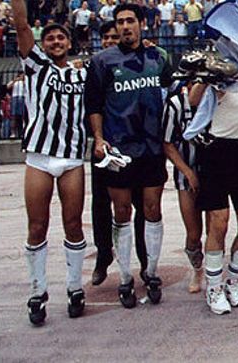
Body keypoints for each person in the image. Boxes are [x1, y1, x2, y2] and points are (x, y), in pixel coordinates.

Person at [3, 0, 88, 326]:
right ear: (44, 44)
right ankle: (37, 292)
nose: (55, 40)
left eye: (60, 37)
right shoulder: (36, 66)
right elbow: (22, 25)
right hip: (39, 155)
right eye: (50, 37)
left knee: (73, 224)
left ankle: (74, 288)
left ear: (69, 42)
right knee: (36, 226)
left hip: (71, 158)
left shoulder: (84, 74)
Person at [85, 3, 173, 309]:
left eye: (130, 21)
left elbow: (172, 94)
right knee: (121, 212)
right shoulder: (102, 61)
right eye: (120, 21)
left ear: (141, 24)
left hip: (152, 147)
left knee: (152, 209)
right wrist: (99, 139)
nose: (125, 26)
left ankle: (151, 272)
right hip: (119, 149)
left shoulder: (158, 57)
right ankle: (124, 278)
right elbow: (94, 105)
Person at [190, 44, 238, 314]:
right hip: (217, 151)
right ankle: (213, 287)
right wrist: (205, 76)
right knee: (218, 223)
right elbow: (193, 100)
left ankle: (233, 281)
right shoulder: (220, 75)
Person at [89, 22, 148, 288]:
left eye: (115, 37)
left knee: (140, 205)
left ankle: (145, 260)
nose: (110, 41)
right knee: (101, 203)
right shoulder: (95, 67)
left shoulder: (137, 64)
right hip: (104, 146)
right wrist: (99, 138)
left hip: (134, 147)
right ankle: (103, 255)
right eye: (106, 37)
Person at [161, 80, 206, 295]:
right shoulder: (176, 104)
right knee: (193, 232)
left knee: (217, 225)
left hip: (213, 170)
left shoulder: (217, 99)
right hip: (186, 171)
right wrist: (187, 172)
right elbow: (167, 144)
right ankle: (197, 268)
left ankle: (214, 273)